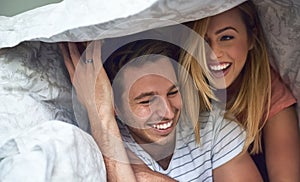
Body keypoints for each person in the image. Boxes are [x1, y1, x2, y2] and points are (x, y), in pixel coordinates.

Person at [59, 39, 262, 181]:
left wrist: (140, 176)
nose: (168, 112)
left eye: (173, 92)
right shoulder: (99, 143)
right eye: (146, 101)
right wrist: (102, 117)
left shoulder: (215, 128)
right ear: (116, 106)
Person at [180, 1, 300, 181]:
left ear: (252, 38)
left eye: (226, 38)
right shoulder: (175, 91)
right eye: (202, 41)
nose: (213, 53)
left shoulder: (268, 93)